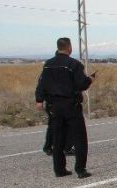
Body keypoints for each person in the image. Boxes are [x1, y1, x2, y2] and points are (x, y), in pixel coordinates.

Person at [35, 37, 93, 178]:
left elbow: (41, 84)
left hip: (54, 106)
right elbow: (81, 84)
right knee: (79, 138)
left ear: (58, 47)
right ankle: (80, 170)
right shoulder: (74, 64)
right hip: (71, 106)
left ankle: (59, 169)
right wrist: (90, 79)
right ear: (69, 48)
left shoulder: (48, 65)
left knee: (58, 138)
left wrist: (39, 100)